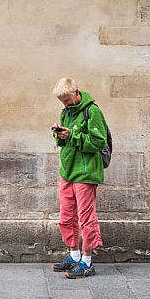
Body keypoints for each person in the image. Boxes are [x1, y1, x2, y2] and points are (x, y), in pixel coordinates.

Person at [50, 77, 106, 279]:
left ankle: (87, 261)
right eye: (61, 101)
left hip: (86, 171)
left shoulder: (93, 111)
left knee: (86, 217)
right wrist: (59, 135)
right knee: (67, 215)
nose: (64, 104)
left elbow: (98, 142)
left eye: (66, 100)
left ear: (76, 93)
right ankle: (74, 256)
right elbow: (65, 144)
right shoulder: (66, 113)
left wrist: (72, 136)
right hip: (68, 170)